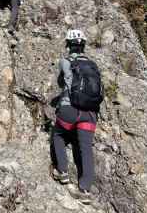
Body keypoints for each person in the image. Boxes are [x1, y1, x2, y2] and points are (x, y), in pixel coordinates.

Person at [51, 29, 103, 205]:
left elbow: (61, 82)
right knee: (86, 149)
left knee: (58, 135)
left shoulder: (65, 61)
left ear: (68, 44)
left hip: (69, 110)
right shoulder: (93, 65)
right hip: (89, 114)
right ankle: (85, 190)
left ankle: (63, 172)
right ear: (83, 46)